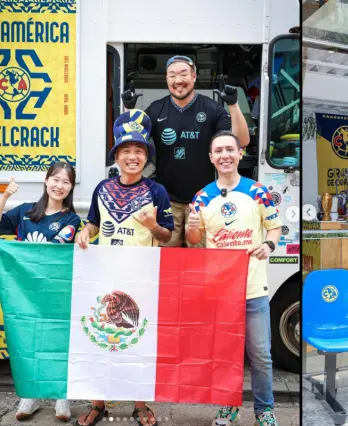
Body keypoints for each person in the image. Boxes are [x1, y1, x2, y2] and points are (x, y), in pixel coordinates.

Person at [75, 110, 174, 426]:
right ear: (116, 155)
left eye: (139, 150)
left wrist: (153, 225)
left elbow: (168, 235)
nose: (133, 156)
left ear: (147, 156)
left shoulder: (156, 192)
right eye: (126, 150)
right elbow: (93, 223)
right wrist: (84, 233)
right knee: (100, 340)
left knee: (138, 343)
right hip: (104, 278)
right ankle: (98, 403)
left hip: (141, 281)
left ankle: (141, 404)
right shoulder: (102, 188)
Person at [185, 130, 282, 426]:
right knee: (225, 355)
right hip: (220, 291)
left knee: (261, 355)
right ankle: (228, 407)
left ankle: (265, 410)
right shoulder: (202, 197)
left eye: (230, 149)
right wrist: (191, 225)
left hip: (253, 289)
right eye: (218, 151)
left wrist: (268, 245)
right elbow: (193, 241)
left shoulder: (257, 191)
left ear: (240, 154)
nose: (225, 155)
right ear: (211, 158)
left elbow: (274, 227)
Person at [121, 55, 250, 248]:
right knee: (166, 261)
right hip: (166, 201)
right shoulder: (156, 109)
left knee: (199, 260)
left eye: (183, 74)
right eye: (172, 75)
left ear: (194, 76)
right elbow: (129, 141)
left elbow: (242, 141)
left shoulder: (211, 108)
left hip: (203, 202)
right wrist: (128, 109)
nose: (178, 80)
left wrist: (233, 104)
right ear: (167, 79)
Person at [0, 161, 81, 422]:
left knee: (59, 342)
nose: (60, 186)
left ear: (70, 188)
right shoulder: (23, 212)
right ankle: (29, 395)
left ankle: (62, 398)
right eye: (56, 179)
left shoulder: (71, 219)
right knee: (27, 341)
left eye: (66, 182)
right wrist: (5, 196)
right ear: (46, 181)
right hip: (25, 294)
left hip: (58, 293)